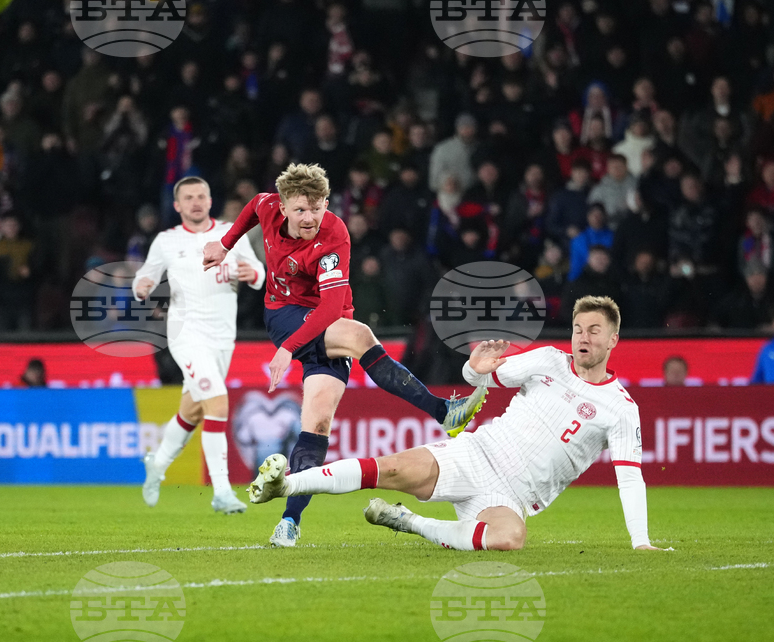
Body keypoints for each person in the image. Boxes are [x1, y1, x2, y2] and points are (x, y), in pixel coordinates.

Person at [202, 163, 487, 547]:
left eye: (317, 207)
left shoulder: (334, 233)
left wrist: (291, 350)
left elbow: (330, 306)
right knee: (360, 333)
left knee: (317, 426)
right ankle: (443, 412)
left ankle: (289, 522)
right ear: (283, 206)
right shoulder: (268, 207)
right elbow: (253, 205)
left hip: (323, 326)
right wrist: (225, 244)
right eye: (301, 209)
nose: (310, 217)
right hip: (284, 316)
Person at [247, 296, 661, 552]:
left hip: (510, 496)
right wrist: (474, 367)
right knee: (389, 468)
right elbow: (478, 377)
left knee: (509, 539)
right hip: (476, 454)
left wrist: (640, 542)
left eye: (594, 330)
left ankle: (408, 522)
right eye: (577, 328)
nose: (582, 336)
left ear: (612, 340)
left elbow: (630, 479)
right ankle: (287, 485)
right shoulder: (549, 360)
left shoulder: (620, 408)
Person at [135, 176, 266, 515]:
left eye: (201, 195)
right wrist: (144, 285)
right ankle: (222, 491)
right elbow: (143, 277)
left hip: (223, 337)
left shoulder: (230, 234)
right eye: (188, 197)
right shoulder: (166, 241)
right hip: (185, 334)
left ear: (210, 200)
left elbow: (258, 273)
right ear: (177, 205)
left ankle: (157, 465)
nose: (195, 201)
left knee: (192, 410)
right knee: (218, 403)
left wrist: (250, 274)